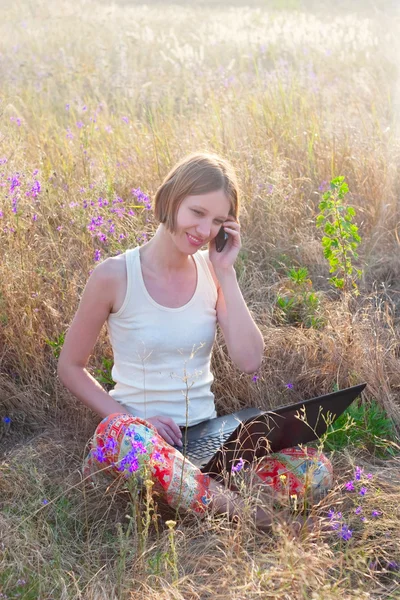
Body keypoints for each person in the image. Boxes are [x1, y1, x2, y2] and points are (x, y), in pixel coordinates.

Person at [57, 152, 332, 530]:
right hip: (139, 444)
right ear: (171, 200)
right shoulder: (115, 275)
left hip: (204, 444)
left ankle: (200, 496)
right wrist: (134, 419)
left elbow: (250, 360)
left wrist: (226, 272)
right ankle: (254, 516)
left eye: (218, 221)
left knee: (315, 467)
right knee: (121, 436)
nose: (205, 230)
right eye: (197, 212)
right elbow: (70, 367)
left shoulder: (213, 273)